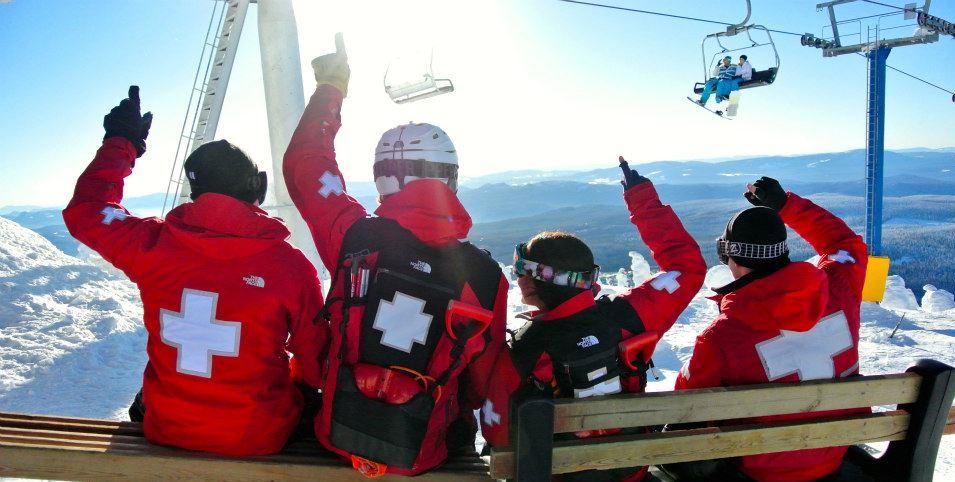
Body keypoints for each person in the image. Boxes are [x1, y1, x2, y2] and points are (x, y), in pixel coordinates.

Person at [282, 35, 509, 477]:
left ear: (382, 179)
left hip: (339, 434)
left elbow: (306, 164)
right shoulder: (484, 276)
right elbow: (483, 379)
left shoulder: (354, 237)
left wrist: (331, 88)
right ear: (450, 176)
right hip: (424, 449)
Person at [63, 87, 328, 456]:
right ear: (259, 186)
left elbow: (88, 210)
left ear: (195, 192)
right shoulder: (290, 266)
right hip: (258, 434)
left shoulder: (152, 245)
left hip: (167, 426)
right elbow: (315, 362)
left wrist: (120, 143)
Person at [480, 157, 707, 482]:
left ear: (531, 283)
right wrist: (642, 200)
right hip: (632, 471)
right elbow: (687, 267)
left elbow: (497, 432)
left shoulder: (524, 349)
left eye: (521, 272)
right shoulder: (630, 314)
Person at [665, 176, 868, 482]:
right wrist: (785, 205)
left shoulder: (722, 336)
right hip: (833, 453)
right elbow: (844, 243)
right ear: (782, 251)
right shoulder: (839, 286)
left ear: (730, 257)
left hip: (759, 470)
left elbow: (686, 404)